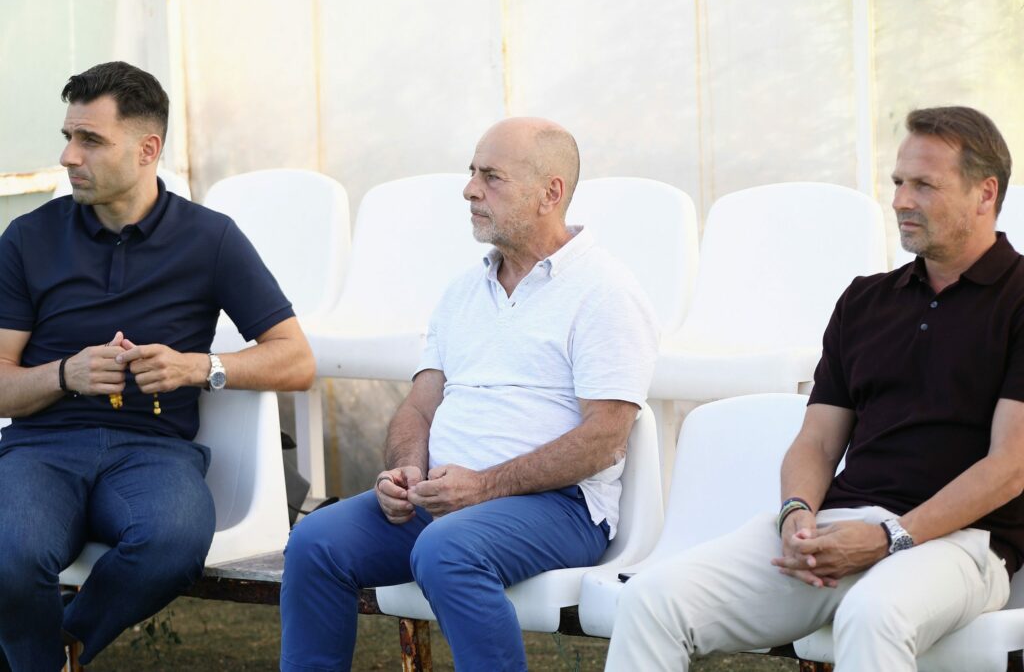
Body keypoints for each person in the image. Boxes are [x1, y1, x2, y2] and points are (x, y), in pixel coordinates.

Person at [605, 105, 1022, 671]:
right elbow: (818, 442)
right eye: (898, 182)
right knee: (651, 601)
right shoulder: (866, 300)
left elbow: (1010, 466)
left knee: (872, 614)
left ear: (985, 193)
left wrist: (890, 537)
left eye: (924, 185)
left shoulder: (1019, 298)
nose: (901, 200)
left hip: (962, 542)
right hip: (838, 527)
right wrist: (796, 512)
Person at [280, 117, 658, 671]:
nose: (469, 189)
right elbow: (418, 407)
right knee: (315, 541)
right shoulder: (463, 292)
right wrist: (405, 471)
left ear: (550, 193)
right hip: (444, 497)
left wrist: (483, 487)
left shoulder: (606, 291)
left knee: (446, 550)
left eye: (491, 177)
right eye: (472, 173)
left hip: (560, 506)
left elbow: (604, 439)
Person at [0, 61, 315, 670]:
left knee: (172, 541)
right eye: (68, 136)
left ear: (147, 149)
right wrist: (65, 374)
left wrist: (198, 368)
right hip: (41, 449)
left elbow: (295, 358)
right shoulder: (26, 238)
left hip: (153, 452)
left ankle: (61, 650)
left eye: (90, 140)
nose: (68, 156)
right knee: (8, 553)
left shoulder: (210, 239)